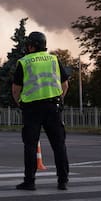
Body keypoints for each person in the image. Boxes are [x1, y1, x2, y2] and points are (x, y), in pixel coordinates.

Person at [12, 31, 69, 191]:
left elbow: (16, 89)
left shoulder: (24, 62)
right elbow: (65, 85)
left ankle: (30, 182)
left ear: (31, 46)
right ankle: (62, 181)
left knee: (30, 145)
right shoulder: (54, 59)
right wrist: (59, 100)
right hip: (53, 107)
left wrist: (20, 104)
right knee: (59, 145)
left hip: (31, 109)